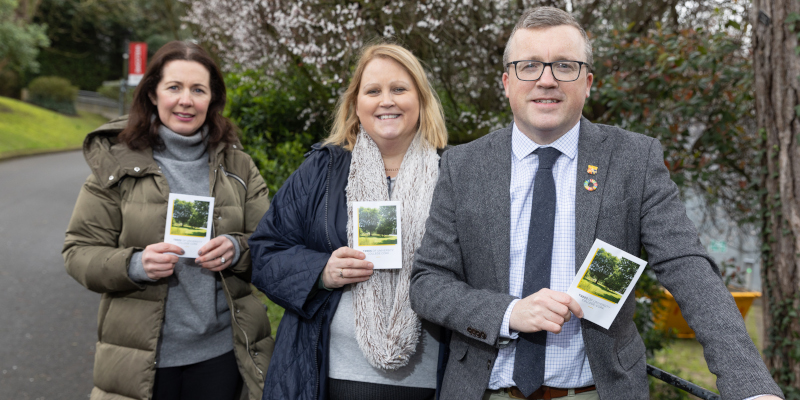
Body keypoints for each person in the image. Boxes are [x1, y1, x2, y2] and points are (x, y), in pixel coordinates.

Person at [409, 7, 783, 400]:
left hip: (596, 391)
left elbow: (688, 268)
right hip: (484, 391)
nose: (546, 80)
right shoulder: (462, 165)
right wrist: (507, 313)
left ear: (587, 82)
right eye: (529, 66)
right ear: (506, 82)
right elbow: (429, 283)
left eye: (564, 66)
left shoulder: (632, 160)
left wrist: (750, 386)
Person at [63, 41, 273, 400]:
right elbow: (78, 252)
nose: (185, 100)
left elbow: (270, 244)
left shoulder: (239, 167)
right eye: (174, 87)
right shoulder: (117, 164)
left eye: (198, 89)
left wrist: (237, 250)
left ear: (213, 99)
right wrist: (134, 264)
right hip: (140, 357)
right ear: (152, 94)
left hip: (220, 354)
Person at [249, 43, 449, 400]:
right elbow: (265, 251)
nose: (386, 100)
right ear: (356, 104)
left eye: (399, 89)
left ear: (420, 99)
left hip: (431, 382)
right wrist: (320, 272)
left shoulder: (453, 174)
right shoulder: (321, 170)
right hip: (330, 377)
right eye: (373, 91)